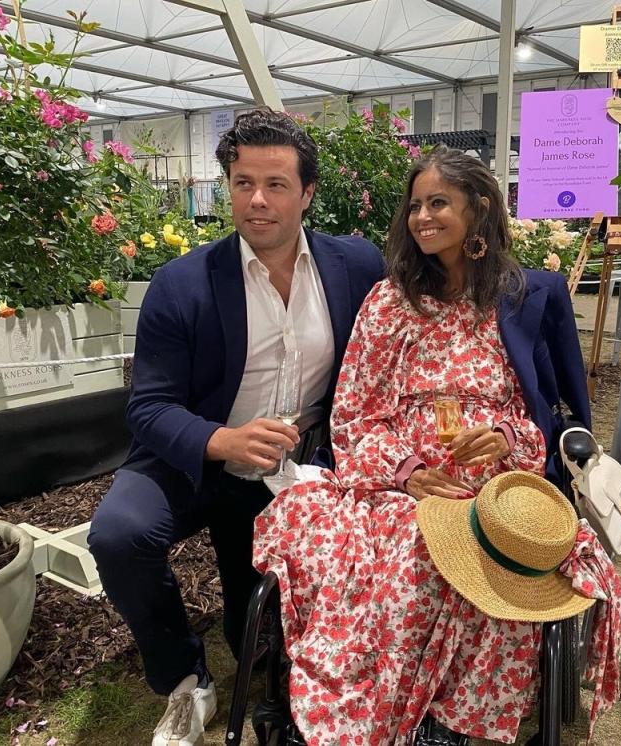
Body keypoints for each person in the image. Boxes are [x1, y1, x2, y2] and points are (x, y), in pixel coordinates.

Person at [252, 145, 594, 745]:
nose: (422, 217)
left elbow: (546, 416)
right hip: (396, 480)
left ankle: (455, 717)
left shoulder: (518, 299)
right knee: (409, 547)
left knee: (494, 554)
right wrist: (406, 471)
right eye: (415, 206)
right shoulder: (390, 302)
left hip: (495, 484)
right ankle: (394, 708)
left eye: (439, 203)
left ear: (479, 208)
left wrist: (505, 438)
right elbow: (354, 413)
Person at [87, 109, 385, 746]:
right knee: (119, 536)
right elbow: (147, 406)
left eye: (276, 184)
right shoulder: (182, 284)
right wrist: (222, 441)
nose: (257, 200)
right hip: (193, 457)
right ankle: (184, 678)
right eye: (243, 182)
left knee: (256, 634)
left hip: (294, 464)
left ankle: (280, 661)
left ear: (306, 193)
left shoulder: (356, 268)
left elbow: (410, 327)